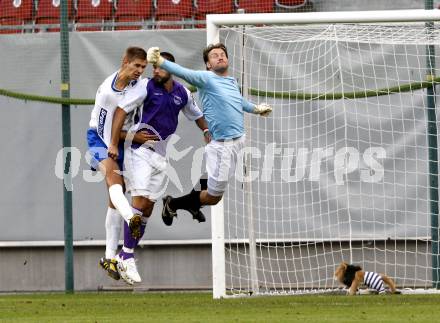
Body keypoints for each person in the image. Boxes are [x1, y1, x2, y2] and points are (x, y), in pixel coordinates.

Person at [108, 52, 210, 285]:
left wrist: (206, 131)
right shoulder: (145, 87)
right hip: (139, 152)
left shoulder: (182, 92)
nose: (155, 71)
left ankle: (124, 255)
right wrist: (116, 142)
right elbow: (121, 111)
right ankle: (127, 256)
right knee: (139, 201)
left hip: (161, 156)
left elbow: (197, 115)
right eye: (153, 67)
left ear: (171, 68)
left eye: (159, 67)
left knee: (146, 211)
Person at [146, 43, 272, 225]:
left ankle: (192, 204)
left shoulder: (231, 82)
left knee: (210, 178)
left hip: (238, 141)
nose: (220, 57)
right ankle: (173, 203)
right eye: (214, 56)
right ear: (208, 64)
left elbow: (237, 101)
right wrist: (160, 61)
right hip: (222, 146)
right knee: (214, 198)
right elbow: (182, 71)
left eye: (222, 54)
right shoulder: (206, 78)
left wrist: (256, 109)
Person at [86, 46, 154, 281]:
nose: (139, 71)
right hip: (100, 138)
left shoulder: (140, 86)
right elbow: (106, 129)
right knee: (114, 179)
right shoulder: (108, 91)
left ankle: (109, 257)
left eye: (143, 67)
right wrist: (113, 146)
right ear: (124, 61)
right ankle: (131, 218)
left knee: (116, 194)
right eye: (136, 65)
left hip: (119, 141)